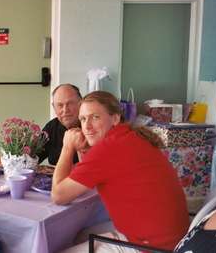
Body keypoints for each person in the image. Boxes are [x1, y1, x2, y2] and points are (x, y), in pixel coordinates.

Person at [51, 90, 189, 252]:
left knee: (58, 246)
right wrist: (84, 149)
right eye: (83, 119)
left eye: (95, 117)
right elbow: (92, 179)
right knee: (77, 235)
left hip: (150, 247)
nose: (87, 126)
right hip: (172, 239)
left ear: (115, 118)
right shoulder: (128, 136)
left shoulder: (109, 148)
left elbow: (58, 196)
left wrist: (67, 147)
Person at [37, 84, 82, 165]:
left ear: (81, 103)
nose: (65, 110)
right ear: (54, 107)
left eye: (70, 103)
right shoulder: (52, 127)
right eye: (60, 105)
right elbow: (33, 157)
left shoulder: (90, 127)